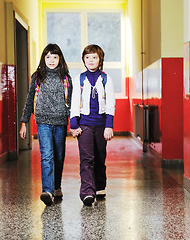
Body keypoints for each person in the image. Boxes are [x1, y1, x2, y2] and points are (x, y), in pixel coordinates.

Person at [19, 43, 72, 206]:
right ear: (43, 58)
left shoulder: (66, 78)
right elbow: (29, 99)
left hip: (61, 122)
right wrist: (24, 121)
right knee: (47, 155)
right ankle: (47, 191)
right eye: (48, 57)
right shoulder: (37, 76)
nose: (51, 60)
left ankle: (56, 186)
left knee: (59, 156)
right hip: (43, 122)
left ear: (60, 59)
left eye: (55, 57)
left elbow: (70, 102)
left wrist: (74, 123)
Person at [70, 44, 115, 206]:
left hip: (101, 124)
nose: (91, 60)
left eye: (94, 57)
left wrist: (109, 125)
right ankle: (87, 191)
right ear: (83, 59)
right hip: (85, 124)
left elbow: (110, 104)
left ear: (100, 59)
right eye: (87, 57)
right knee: (86, 158)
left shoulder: (106, 79)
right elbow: (74, 103)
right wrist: (74, 125)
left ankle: (100, 185)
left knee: (100, 157)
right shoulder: (79, 79)